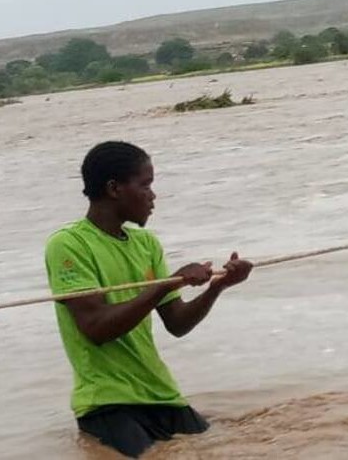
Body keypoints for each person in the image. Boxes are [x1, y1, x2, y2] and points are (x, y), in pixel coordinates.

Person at [45, 141, 254, 458]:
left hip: (163, 395)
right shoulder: (68, 245)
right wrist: (166, 284)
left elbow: (177, 323)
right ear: (115, 188)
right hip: (108, 403)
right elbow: (95, 328)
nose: (153, 196)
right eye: (145, 185)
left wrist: (218, 287)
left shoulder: (147, 244)